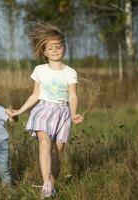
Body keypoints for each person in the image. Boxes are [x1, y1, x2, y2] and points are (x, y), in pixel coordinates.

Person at [8, 22, 84, 198]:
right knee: (44, 142)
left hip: (63, 113)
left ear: (64, 47)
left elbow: (72, 96)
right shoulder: (39, 70)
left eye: (58, 47)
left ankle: (51, 186)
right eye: (51, 48)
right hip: (43, 110)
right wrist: (19, 111)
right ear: (44, 51)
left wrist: (73, 115)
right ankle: (45, 185)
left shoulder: (70, 72)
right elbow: (35, 95)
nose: (55, 50)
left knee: (57, 152)